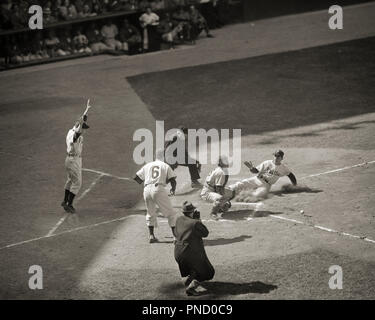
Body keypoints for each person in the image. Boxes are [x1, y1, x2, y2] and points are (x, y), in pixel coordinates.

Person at [134, 149, 177, 243]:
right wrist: (172, 189)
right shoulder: (165, 165)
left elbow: (137, 178)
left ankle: (151, 236)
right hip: (158, 189)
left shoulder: (148, 165)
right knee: (171, 213)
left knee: (150, 212)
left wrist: (148, 183)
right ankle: (175, 237)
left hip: (146, 190)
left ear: (155, 156)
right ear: (164, 157)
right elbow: (173, 180)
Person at [174, 201, 215, 296]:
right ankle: (190, 287)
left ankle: (188, 278)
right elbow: (205, 233)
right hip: (189, 253)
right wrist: (198, 220)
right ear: (192, 211)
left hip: (177, 252)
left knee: (193, 268)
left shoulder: (178, 219)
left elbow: (176, 233)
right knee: (209, 272)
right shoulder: (195, 223)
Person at [228, 150, 297, 201]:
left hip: (266, 185)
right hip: (257, 179)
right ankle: (229, 189)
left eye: (278, 156)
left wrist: (295, 185)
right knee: (242, 183)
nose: (276, 157)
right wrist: (251, 168)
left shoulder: (283, 168)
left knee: (258, 195)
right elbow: (256, 171)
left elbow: (291, 175)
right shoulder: (267, 162)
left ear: (282, 158)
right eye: (275, 155)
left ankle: (242, 195)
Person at [61, 100, 91, 213]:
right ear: (80, 127)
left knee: (70, 180)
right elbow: (79, 128)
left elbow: (79, 123)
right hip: (74, 160)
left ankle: (65, 201)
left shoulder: (70, 131)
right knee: (77, 183)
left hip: (69, 160)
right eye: (84, 128)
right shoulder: (75, 135)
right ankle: (69, 204)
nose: (85, 130)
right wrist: (84, 117)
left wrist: (86, 110)